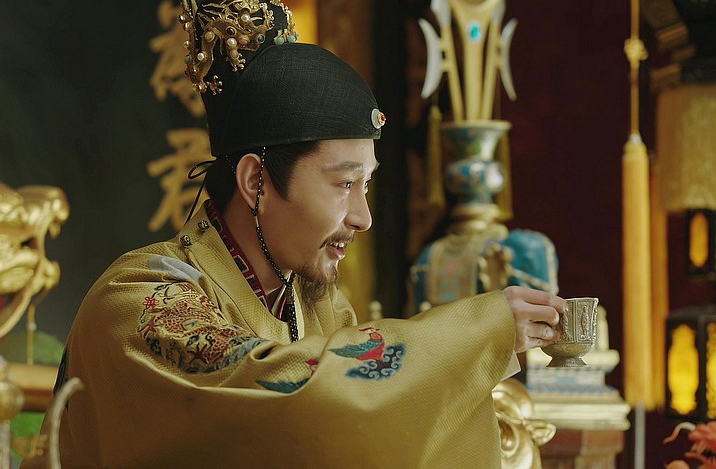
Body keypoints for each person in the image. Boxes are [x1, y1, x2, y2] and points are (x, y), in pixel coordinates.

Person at [31, 1, 565, 467]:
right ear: (256, 181)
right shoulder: (139, 300)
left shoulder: (315, 307)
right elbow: (297, 399)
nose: (363, 217)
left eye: (367, 185)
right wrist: (479, 332)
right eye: (344, 184)